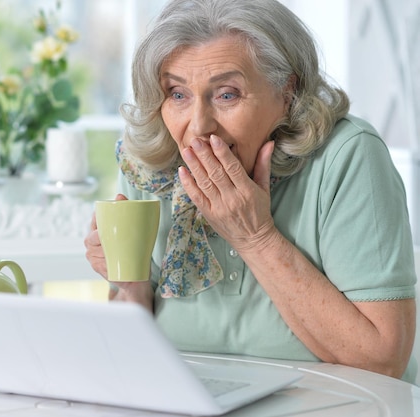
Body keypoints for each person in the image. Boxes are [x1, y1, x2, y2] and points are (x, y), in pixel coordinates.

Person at [84, 0, 417, 382]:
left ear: (287, 92)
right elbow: (132, 358)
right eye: (178, 94)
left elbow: (382, 362)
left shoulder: (348, 155)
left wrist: (255, 237)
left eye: (226, 94)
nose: (198, 127)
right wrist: (132, 285)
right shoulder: (151, 162)